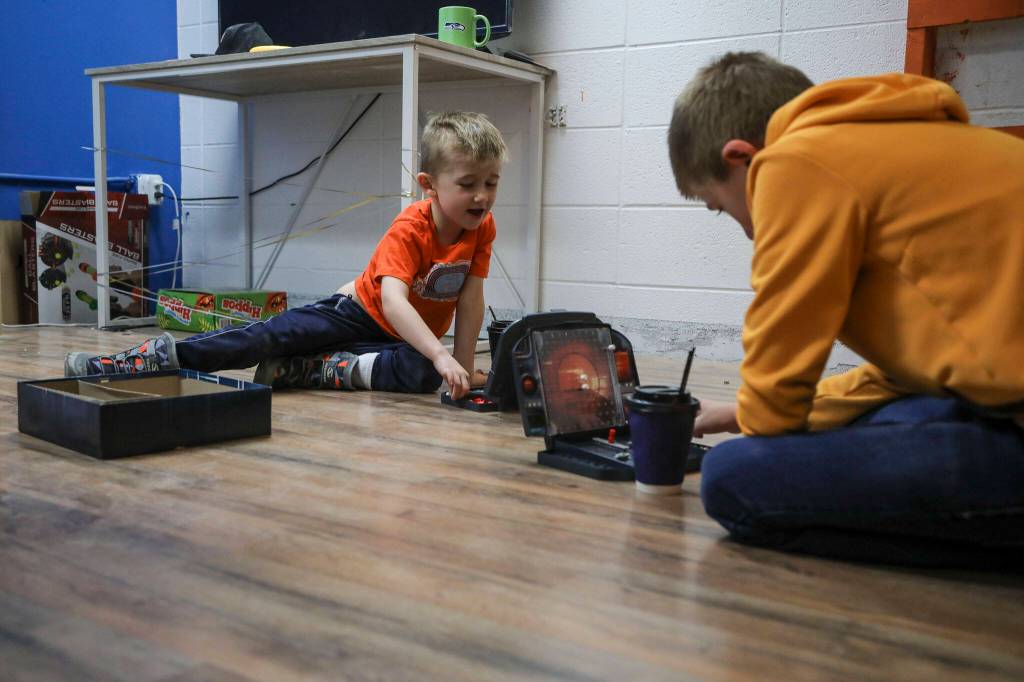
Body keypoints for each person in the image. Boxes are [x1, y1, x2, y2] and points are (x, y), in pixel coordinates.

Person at [667, 52, 1024, 567]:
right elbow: (918, 375)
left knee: (732, 477)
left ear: (743, 157)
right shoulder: (901, 145)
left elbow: (779, 386)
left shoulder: (796, 161)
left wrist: (755, 418)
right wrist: (736, 413)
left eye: (723, 208)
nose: (747, 232)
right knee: (885, 415)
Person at [65, 111, 508, 400]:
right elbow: (393, 301)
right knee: (265, 337)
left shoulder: (481, 228)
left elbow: (469, 300)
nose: (482, 196)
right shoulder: (410, 228)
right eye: (468, 183)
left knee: (426, 373)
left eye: (491, 182)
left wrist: (462, 367)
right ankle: (142, 360)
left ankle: (309, 371)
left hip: (396, 340)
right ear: (429, 185)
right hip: (355, 315)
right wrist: (442, 354)